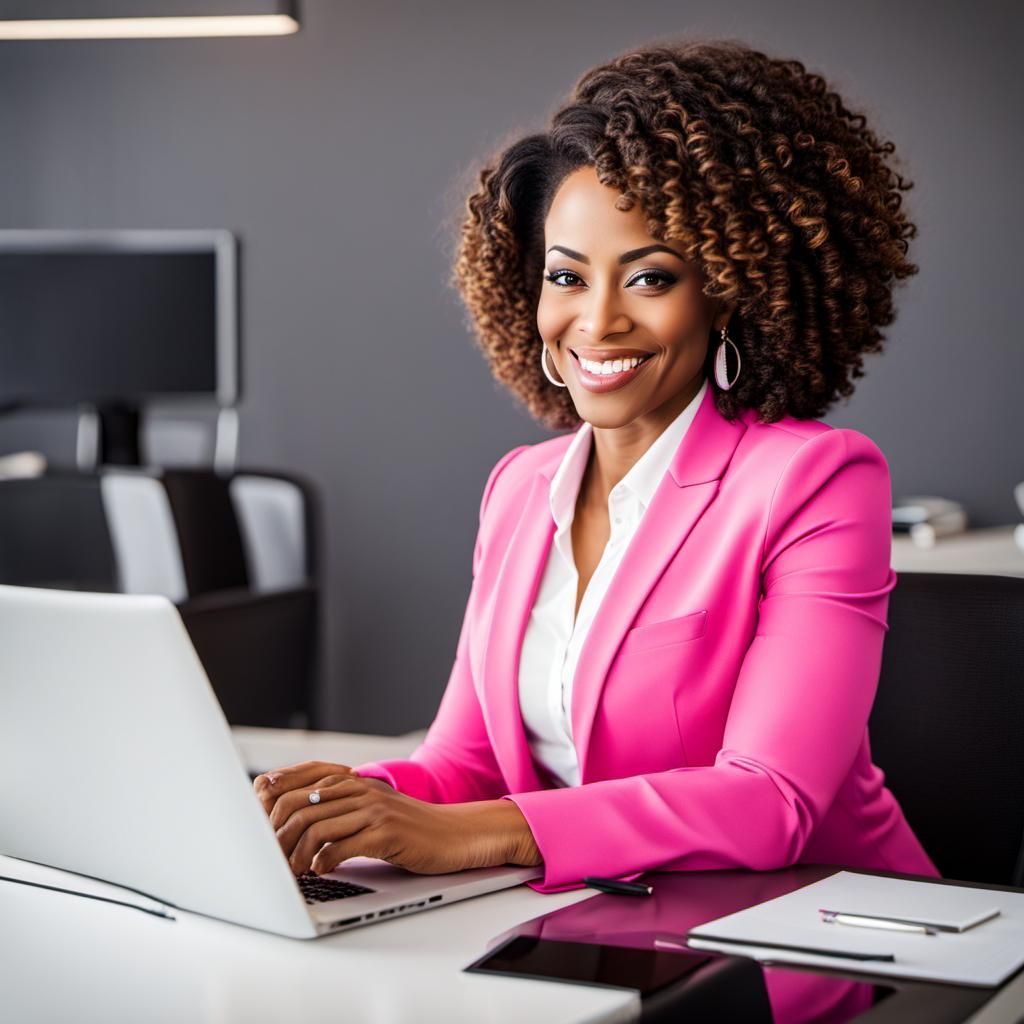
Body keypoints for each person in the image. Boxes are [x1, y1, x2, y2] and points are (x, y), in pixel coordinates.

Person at [255, 37, 937, 902]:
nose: (598, 320)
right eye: (566, 277)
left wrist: (480, 831)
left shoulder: (814, 481)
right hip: (604, 924)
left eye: (649, 278)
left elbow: (773, 800)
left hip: (815, 931)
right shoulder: (520, 489)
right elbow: (464, 764)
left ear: (729, 290)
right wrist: (335, 806)